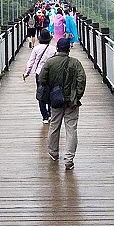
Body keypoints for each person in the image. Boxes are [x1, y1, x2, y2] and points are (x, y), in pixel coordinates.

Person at [38, 37, 86, 170]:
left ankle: (53, 152)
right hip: (72, 101)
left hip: (56, 100)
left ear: (58, 48)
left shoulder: (50, 63)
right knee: (71, 128)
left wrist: (51, 92)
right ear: (69, 49)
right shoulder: (76, 63)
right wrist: (77, 95)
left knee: (54, 125)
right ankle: (69, 160)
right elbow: (81, 80)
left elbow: (42, 79)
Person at [23, 29, 57, 123]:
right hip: (51, 73)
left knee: (41, 93)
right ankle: (50, 113)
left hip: (39, 73)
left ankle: (45, 116)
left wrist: (27, 73)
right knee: (51, 92)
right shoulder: (53, 49)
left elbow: (31, 61)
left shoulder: (36, 49)